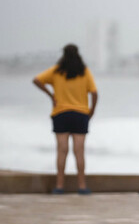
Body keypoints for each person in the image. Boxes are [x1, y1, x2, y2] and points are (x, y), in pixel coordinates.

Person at [33, 44, 98, 194]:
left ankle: (59, 186)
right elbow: (94, 93)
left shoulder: (56, 71)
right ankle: (82, 186)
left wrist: (51, 96)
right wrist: (91, 111)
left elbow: (36, 80)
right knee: (79, 152)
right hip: (80, 114)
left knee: (62, 151)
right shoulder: (84, 71)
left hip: (61, 114)